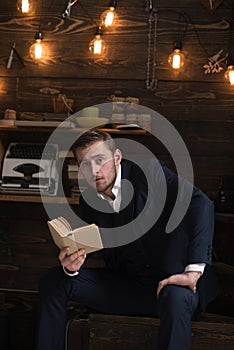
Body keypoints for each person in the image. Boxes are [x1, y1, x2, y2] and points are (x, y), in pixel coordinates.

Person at [35, 129, 220, 350]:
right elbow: (95, 249)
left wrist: (192, 272)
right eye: (85, 164)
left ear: (117, 157)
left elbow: (200, 204)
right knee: (54, 280)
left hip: (173, 284)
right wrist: (72, 266)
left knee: (175, 298)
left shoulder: (149, 173)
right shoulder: (88, 200)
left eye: (100, 160)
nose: (94, 171)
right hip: (129, 287)